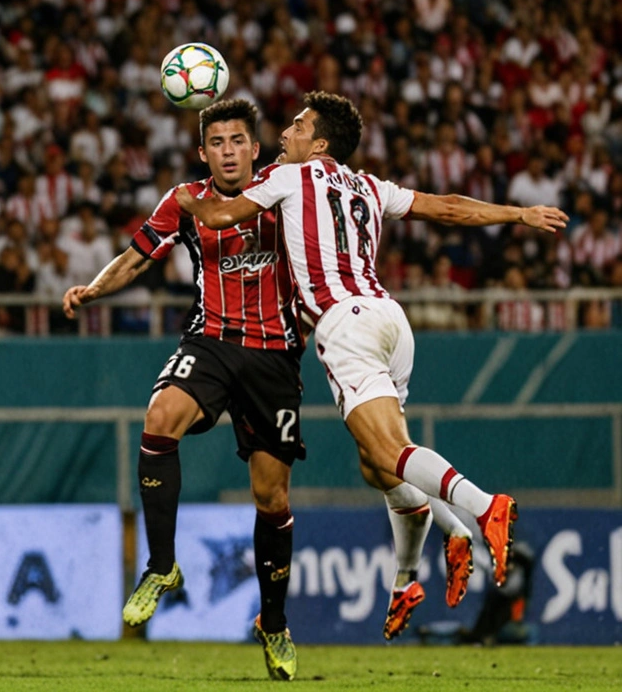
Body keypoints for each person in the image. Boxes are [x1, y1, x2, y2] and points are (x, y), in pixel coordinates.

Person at [173, 91, 567, 640]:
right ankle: (410, 576)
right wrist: (517, 214)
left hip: (346, 323)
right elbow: (449, 206)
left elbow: (217, 213)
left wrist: (181, 199)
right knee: (379, 465)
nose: (284, 135)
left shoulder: (292, 177)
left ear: (319, 144)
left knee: (386, 450)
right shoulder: (369, 186)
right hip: (390, 320)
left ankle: (483, 509)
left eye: (297, 126)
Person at [63, 99, 304, 680]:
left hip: (275, 356)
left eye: (237, 140)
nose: (227, 151)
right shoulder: (185, 200)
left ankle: (273, 624)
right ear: (204, 153)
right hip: (211, 342)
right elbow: (136, 257)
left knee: (271, 498)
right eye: (216, 142)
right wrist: (93, 290)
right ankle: (162, 564)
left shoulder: (287, 188)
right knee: (159, 416)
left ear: (255, 146)